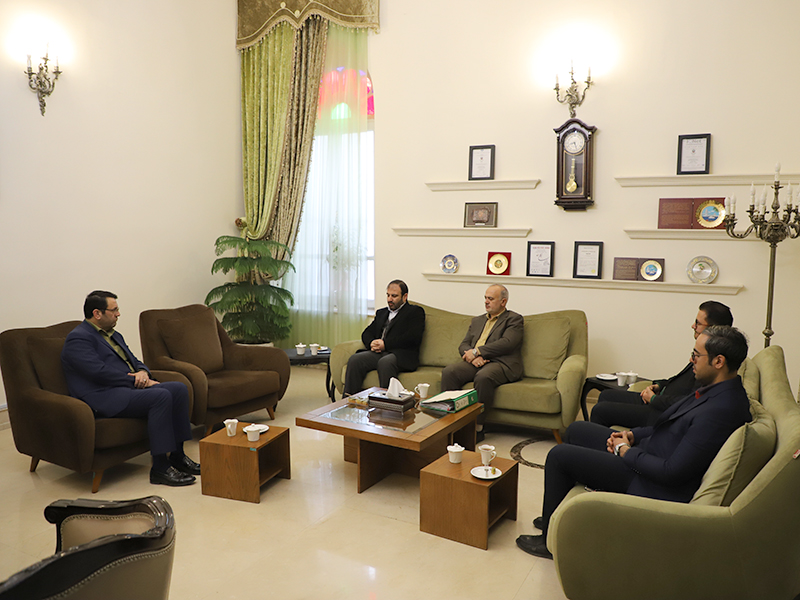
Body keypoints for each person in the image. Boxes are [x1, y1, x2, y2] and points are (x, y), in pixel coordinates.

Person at [516, 325, 752, 559]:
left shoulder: (722, 410)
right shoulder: (714, 389)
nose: (692, 360)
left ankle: (549, 543)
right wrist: (632, 435)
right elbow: (668, 427)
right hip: (646, 455)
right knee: (577, 430)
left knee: (558, 456)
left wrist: (625, 452)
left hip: (649, 480)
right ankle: (556, 515)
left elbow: (672, 472)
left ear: (718, 361)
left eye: (696, 355)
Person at [61, 291, 200, 486]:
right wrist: (136, 381)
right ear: (97, 313)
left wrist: (143, 372)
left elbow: (134, 361)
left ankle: (178, 456)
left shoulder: (114, 335)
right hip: (103, 396)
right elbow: (99, 372)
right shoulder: (78, 339)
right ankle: (160, 468)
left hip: (125, 389)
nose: (118, 314)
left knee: (179, 389)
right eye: (114, 310)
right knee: (160, 396)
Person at [590, 300, 734, 428]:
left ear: (713, 328)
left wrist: (654, 399)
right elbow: (680, 380)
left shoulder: (711, 362)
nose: (693, 326)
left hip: (662, 413)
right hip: (660, 399)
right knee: (606, 395)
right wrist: (659, 385)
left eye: (698, 323)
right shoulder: (703, 350)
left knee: (600, 410)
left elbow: (689, 401)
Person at [440, 284, 523, 438]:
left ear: (503, 302)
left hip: (501, 363)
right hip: (476, 362)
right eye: (485, 298)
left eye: (490, 299)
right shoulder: (477, 320)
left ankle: (477, 428)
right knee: (450, 372)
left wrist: (478, 352)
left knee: (483, 377)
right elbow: (464, 344)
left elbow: (508, 343)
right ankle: (451, 422)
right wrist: (473, 358)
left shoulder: (514, 319)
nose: (486, 301)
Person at [343, 280, 426, 395]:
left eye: (394, 296)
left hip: (401, 355)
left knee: (385, 362)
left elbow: (413, 337)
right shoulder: (382, 313)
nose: (389, 299)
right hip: (379, 353)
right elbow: (367, 333)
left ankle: (386, 402)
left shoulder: (415, 312)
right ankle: (349, 399)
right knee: (355, 360)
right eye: (388, 295)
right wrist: (371, 342)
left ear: (405, 297)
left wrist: (385, 344)